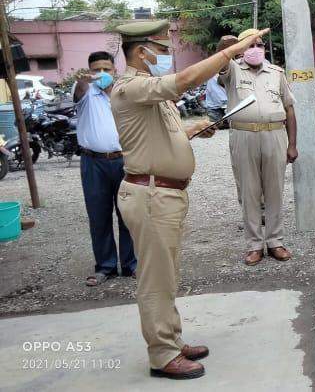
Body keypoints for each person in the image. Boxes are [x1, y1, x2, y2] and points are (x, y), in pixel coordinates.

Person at [110, 19, 268, 379]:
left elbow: (163, 132)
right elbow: (184, 81)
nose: (168, 57)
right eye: (163, 50)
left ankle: (170, 339)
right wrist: (232, 52)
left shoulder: (148, 93)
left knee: (167, 275)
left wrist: (195, 129)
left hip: (164, 194)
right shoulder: (132, 87)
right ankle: (162, 355)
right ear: (141, 52)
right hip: (151, 194)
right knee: (156, 278)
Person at [219, 28, 298, 265]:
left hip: (274, 135)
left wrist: (292, 144)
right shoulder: (232, 69)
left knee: (275, 191)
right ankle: (254, 245)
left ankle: (275, 241)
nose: (255, 50)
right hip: (244, 136)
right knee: (249, 192)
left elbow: (289, 109)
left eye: (259, 45)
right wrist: (228, 45)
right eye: (250, 45)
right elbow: (221, 59)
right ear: (242, 49)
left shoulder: (276, 73)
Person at [74, 51, 136, 286]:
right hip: (93, 163)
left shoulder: (123, 94)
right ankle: (105, 267)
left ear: (114, 70)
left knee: (128, 214)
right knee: (99, 216)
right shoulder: (85, 92)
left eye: (106, 69)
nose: (101, 74)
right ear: (90, 71)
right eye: (96, 70)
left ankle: (131, 264)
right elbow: (79, 89)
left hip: (124, 160)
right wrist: (82, 79)